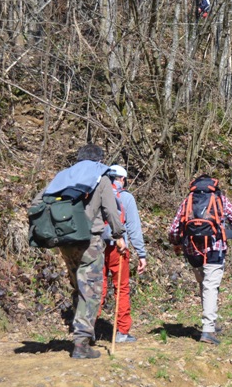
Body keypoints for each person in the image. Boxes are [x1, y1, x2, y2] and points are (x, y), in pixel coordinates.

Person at [31, 144, 126, 359]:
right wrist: (119, 234)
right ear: (100, 160)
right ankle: (82, 343)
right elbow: (111, 211)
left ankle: (85, 335)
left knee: (77, 286)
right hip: (89, 241)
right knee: (90, 290)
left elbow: (38, 202)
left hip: (64, 240)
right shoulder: (101, 178)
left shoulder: (63, 176)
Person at [168, 175, 232, 345]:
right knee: (210, 286)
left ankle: (210, 323)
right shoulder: (220, 200)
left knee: (204, 285)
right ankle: (208, 329)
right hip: (214, 248)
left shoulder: (187, 201)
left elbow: (174, 228)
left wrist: (176, 243)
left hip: (192, 250)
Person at [99, 165, 148, 343]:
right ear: (122, 179)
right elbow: (133, 229)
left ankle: (88, 330)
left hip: (95, 247)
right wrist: (141, 254)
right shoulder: (126, 198)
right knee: (121, 288)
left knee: (97, 287)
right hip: (118, 249)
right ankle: (122, 331)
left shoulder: (96, 194)